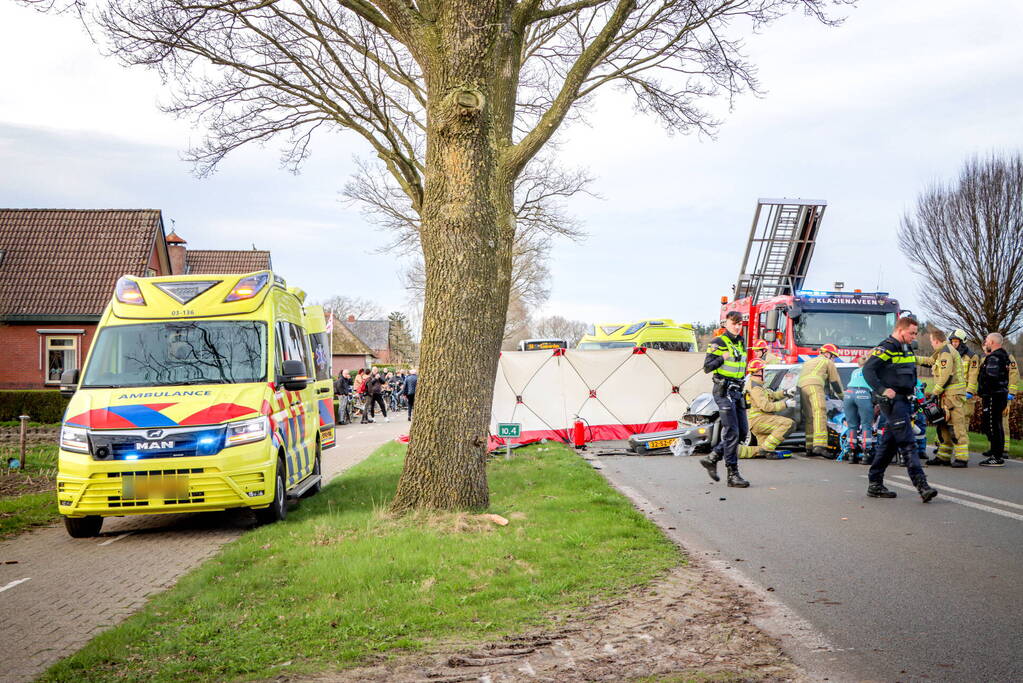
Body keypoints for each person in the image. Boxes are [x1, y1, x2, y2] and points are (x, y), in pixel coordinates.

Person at [861, 316, 937, 502]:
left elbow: (908, 375)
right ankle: (922, 486)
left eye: (915, 333)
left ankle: (875, 483)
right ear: (900, 330)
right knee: (907, 442)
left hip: (906, 400)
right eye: (911, 333)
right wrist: (882, 390)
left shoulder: (906, 348)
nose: (913, 337)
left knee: (889, 444)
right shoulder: (887, 347)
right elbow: (868, 370)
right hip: (893, 403)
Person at [699, 311, 750, 488]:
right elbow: (707, 367)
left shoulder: (741, 342)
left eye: (740, 323)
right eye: (734, 323)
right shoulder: (718, 342)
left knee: (742, 432)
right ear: (726, 323)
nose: (737, 326)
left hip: (737, 391)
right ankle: (732, 475)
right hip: (723, 390)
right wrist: (723, 357)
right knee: (732, 431)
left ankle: (712, 457)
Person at [916, 328, 969, 467]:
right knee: (943, 425)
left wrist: (934, 393)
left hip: (953, 396)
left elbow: (946, 375)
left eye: (931, 341)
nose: (931, 344)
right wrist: (912, 358)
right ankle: (943, 456)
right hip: (946, 395)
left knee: (956, 425)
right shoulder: (941, 351)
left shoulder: (946, 352)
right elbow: (929, 361)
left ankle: (962, 458)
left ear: (936, 340)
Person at [738, 359, 795, 459]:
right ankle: (765, 450)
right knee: (789, 424)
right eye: (764, 370)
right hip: (759, 420)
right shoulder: (755, 388)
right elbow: (766, 406)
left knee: (760, 450)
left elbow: (771, 395)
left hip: (757, 420)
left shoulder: (757, 385)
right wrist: (785, 404)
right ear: (759, 372)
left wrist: (786, 393)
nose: (765, 372)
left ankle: (738, 451)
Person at [797, 343, 844, 457]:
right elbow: (834, 381)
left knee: (810, 417)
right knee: (820, 412)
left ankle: (809, 447)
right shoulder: (827, 362)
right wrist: (842, 396)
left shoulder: (808, 362)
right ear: (827, 354)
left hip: (801, 388)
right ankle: (820, 446)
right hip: (815, 386)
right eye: (833, 356)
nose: (834, 359)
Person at [978, 333, 1012, 466]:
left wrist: (985, 390)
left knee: (992, 425)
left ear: (992, 342)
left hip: (993, 395)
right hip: (998, 395)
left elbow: (991, 377)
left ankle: (997, 456)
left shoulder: (994, 357)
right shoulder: (1002, 356)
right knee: (994, 424)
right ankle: (995, 451)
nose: (985, 343)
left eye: (986, 341)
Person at [842, 355, 874, 464]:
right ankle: (866, 452)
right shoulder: (870, 370)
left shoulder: (854, 372)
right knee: (866, 425)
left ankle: (851, 452)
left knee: (852, 425)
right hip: (863, 394)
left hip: (849, 394)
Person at [949, 329, 981, 420]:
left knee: (964, 418)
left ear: (962, 342)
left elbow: (973, 374)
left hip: (965, 392)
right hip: (952, 391)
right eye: (952, 341)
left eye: (956, 341)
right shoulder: (950, 355)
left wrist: (970, 391)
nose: (954, 344)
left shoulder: (971, 356)